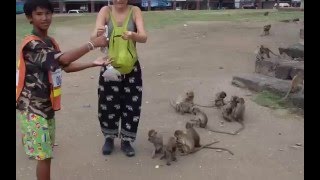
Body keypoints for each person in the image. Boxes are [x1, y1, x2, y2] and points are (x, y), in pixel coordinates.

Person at [16, 0, 111, 179]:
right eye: (39, 14)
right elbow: (63, 60)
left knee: (47, 154)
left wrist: (93, 63)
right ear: (30, 18)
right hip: (32, 110)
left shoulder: (49, 41)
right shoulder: (32, 45)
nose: (45, 18)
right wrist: (92, 44)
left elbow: (64, 66)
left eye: (48, 13)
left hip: (46, 108)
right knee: (44, 157)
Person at [90, 0, 147, 157]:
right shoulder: (105, 11)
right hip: (109, 65)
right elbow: (93, 37)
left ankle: (126, 141)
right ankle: (109, 138)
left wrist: (134, 35)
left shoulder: (135, 11)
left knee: (132, 104)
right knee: (107, 104)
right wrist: (98, 33)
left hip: (132, 67)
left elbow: (144, 37)